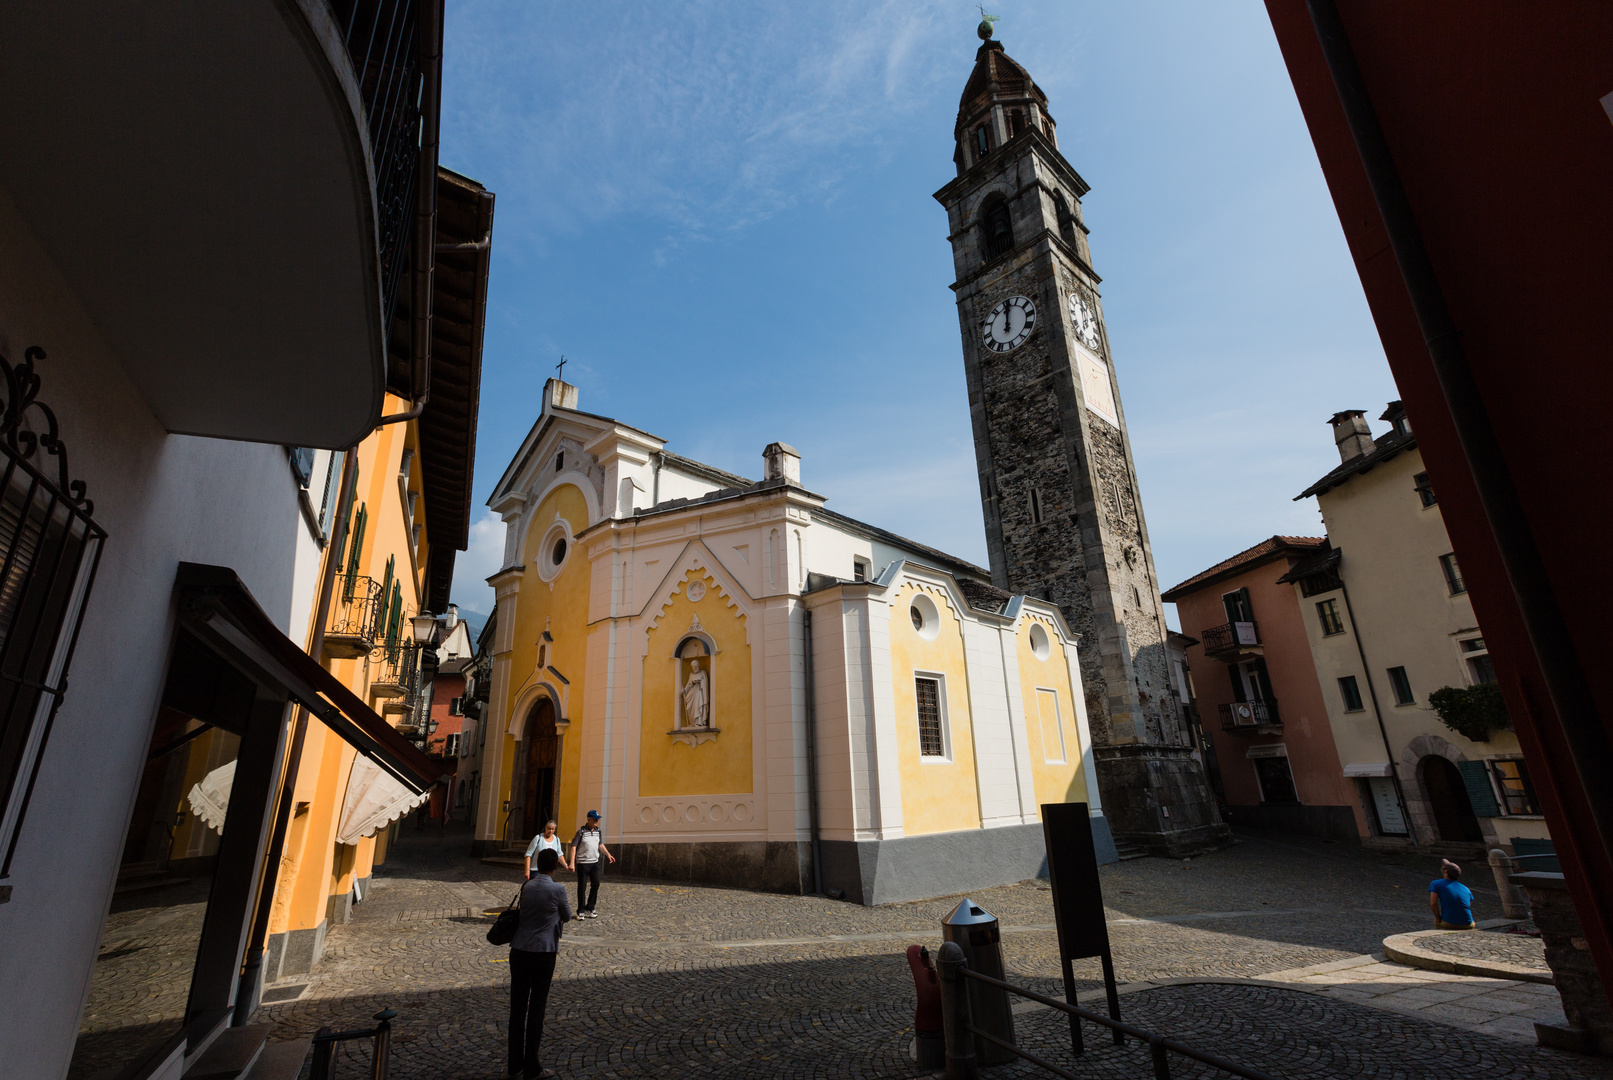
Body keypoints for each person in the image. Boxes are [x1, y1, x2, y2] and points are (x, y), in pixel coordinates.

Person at [509, 846, 570, 1079]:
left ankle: (514, 1065)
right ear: (555, 866)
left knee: (517, 1009)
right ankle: (533, 1067)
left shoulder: (527, 886)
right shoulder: (558, 889)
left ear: (537, 865)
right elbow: (566, 915)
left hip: (519, 950)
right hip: (543, 953)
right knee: (536, 1007)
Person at [569, 810, 615, 919]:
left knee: (596, 883)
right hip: (583, 863)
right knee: (582, 887)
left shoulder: (598, 831)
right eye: (595, 819)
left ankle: (590, 907)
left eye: (597, 819)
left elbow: (600, 844)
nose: (597, 821)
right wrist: (572, 863)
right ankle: (581, 910)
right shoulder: (581, 831)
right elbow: (573, 847)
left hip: (595, 862)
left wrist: (608, 854)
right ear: (589, 819)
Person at [1429, 858, 1476, 930]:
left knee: (1437, 920)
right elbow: (1467, 905)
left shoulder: (1436, 883)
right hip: (1469, 923)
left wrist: (1438, 918)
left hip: (1449, 923)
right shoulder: (1466, 888)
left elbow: (1433, 904)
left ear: (1445, 871)